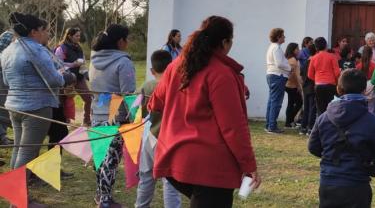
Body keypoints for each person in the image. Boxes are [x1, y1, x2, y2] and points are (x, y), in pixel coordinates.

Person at [149, 16, 260, 207]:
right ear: (225, 42)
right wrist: (249, 166)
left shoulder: (175, 66)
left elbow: (154, 103)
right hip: (210, 167)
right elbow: (233, 126)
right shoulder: (221, 73)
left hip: (175, 157)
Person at [1, 13, 69, 205]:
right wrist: (66, 77)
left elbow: (6, 81)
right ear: (33, 32)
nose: (46, 34)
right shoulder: (36, 50)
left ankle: (15, 197)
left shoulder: (7, 50)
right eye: (43, 30)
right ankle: (19, 201)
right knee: (26, 153)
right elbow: (55, 79)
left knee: (19, 151)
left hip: (14, 106)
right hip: (36, 107)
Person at [309, 69, 375, 208]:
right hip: (357, 184)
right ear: (365, 90)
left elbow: (313, 147)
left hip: (328, 182)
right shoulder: (370, 121)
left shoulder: (324, 117)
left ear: (338, 88)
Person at [89, 24, 136, 208]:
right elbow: (129, 94)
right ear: (120, 41)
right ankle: (106, 201)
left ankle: (100, 195)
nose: (129, 42)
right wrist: (135, 118)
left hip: (97, 113)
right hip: (116, 117)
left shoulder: (93, 59)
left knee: (100, 158)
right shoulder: (123, 62)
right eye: (127, 38)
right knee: (111, 160)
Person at [135, 50, 181, 208]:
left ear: (152, 71)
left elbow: (136, 109)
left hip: (149, 135)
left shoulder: (146, 85)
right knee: (170, 182)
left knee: (146, 177)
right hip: (168, 137)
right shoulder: (177, 87)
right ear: (171, 67)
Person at [54, 27, 93, 126]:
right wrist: (73, 65)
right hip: (66, 79)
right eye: (76, 36)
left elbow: (82, 63)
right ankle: (64, 123)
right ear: (69, 36)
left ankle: (87, 120)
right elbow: (58, 64)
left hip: (79, 78)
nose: (79, 38)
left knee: (88, 98)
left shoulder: (79, 48)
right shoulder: (61, 48)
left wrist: (87, 74)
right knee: (64, 101)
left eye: (79, 35)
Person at [265, 28, 291, 134]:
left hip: (272, 75)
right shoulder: (276, 48)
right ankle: (272, 126)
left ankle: (269, 124)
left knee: (272, 100)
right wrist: (290, 68)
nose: (284, 37)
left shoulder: (272, 47)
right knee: (276, 101)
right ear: (278, 37)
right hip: (277, 75)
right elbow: (279, 63)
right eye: (283, 35)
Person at [308, 37, 341, 116]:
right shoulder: (332, 56)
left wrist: (317, 79)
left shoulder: (313, 58)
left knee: (320, 109)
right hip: (330, 84)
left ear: (316, 47)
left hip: (318, 85)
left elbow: (310, 75)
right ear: (326, 45)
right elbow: (337, 73)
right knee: (331, 108)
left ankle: (321, 126)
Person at [0, 21, 15, 146]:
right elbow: (2, 50)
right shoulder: (8, 35)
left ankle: (3, 137)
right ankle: (2, 137)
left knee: (3, 107)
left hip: (5, 77)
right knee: (2, 107)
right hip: (1, 76)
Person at [284, 42, 304, 128]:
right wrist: (299, 86)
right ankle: (289, 121)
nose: (299, 50)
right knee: (299, 102)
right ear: (293, 50)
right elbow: (296, 75)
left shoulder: (288, 59)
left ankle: (289, 121)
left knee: (291, 103)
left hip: (289, 84)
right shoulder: (293, 60)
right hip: (292, 85)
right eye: (297, 49)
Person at [300, 44, 318, 135]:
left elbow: (301, 73)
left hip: (305, 86)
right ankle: (310, 127)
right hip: (312, 86)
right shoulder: (314, 61)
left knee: (306, 108)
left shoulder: (306, 62)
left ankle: (303, 127)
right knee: (312, 108)